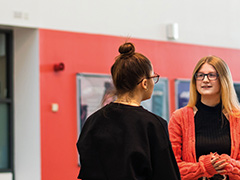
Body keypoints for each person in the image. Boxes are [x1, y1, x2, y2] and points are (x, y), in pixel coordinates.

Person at [76, 42, 181, 180]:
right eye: (153, 77)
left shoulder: (92, 121)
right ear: (144, 83)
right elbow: (167, 174)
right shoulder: (152, 125)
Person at [168, 55, 240, 180]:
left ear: (223, 79)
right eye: (200, 75)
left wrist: (227, 164)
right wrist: (204, 167)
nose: (205, 80)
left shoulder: (239, 118)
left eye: (212, 75)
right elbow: (171, 167)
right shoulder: (179, 118)